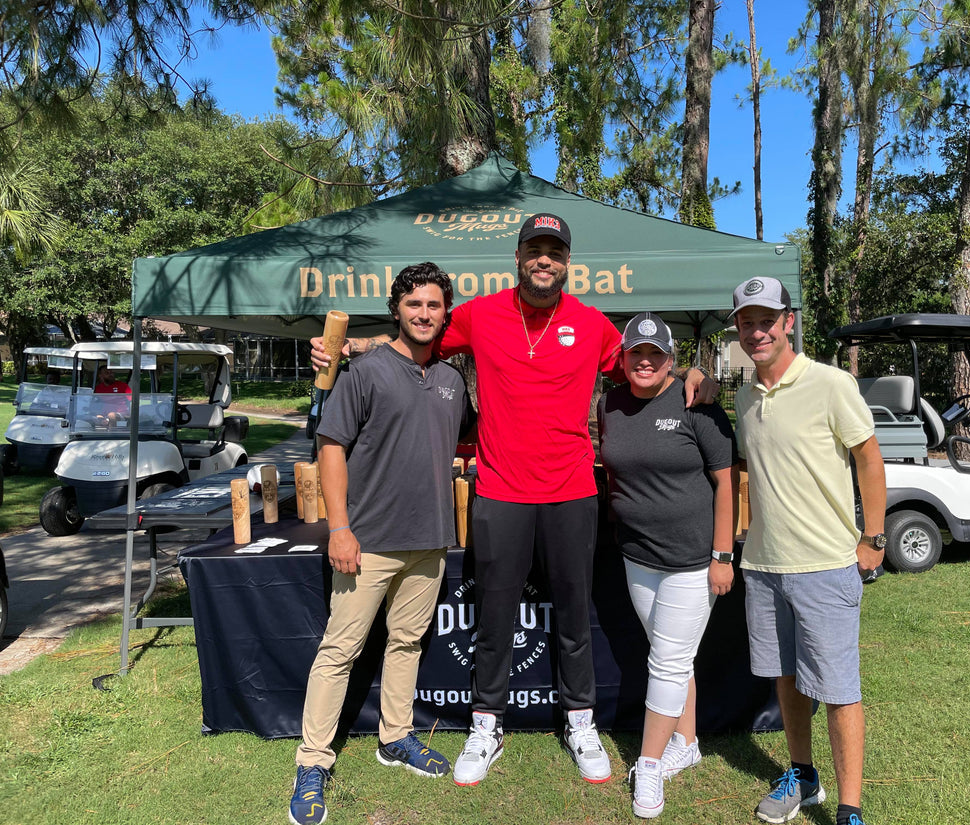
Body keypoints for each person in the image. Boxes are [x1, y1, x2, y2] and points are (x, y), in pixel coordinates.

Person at [311, 213, 717, 788]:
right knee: (494, 619)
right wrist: (347, 347)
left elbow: (643, 372)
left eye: (554, 250)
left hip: (573, 492)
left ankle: (581, 722)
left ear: (567, 261)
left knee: (575, 620)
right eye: (534, 248)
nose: (543, 259)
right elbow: (413, 343)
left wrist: (699, 373)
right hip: (499, 491)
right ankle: (487, 724)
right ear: (519, 256)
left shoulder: (594, 325)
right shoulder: (480, 315)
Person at [289, 263, 476, 825]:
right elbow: (330, 447)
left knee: (407, 642)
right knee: (339, 651)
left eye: (434, 306)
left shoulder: (449, 379)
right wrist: (340, 528)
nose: (424, 314)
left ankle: (395, 737)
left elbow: (459, 437)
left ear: (446, 312)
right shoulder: (367, 370)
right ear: (397, 308)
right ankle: (312, 762)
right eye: (414, 304)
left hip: (431, 539)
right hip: (367, 540)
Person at [731, 277, 886, 825]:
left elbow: (869, 457)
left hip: (826, 566)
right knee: (787, 681)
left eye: (767, 320)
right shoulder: (745, 396)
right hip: (765, 568)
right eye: (747, 322)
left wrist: (873, 537)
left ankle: (849, 808)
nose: (757, 332)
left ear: (788, 322)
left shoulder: (831, 383)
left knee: (840, 690)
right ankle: (803, 776)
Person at [596, 312, 735, 818]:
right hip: (638, 556)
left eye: (656, 354)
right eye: (637, 353)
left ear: (672, 361)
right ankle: (688, 742)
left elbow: (725, 481)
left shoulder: (696, 401)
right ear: (624, 358)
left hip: (693, 560)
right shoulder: (609, 403)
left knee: (669, 660)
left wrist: (723, 555)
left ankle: (650, 765)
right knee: (671, 654)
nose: (646, 361)